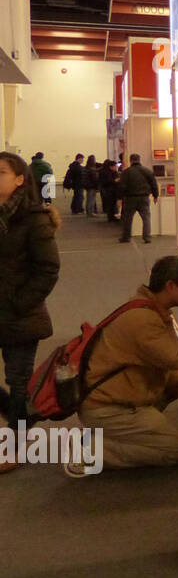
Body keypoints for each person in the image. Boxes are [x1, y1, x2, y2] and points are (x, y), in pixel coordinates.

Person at [69, 255, 178, 475]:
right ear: (170, 286)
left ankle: (108, 436)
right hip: (108, 407)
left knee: (167, 430)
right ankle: (90, 452)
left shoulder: (151, 310)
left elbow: (162, 358)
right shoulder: (144, 320)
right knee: (175, 450)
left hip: (118, 397)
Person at [0, 152, 61, 470]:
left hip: (21, 314)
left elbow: (48, 269)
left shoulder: (34, 219)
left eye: (1, 173)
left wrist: (20, 302)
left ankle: (13, 446)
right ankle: (22, 415)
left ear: (20, 178)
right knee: (18, 389)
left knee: (18, 379)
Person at [118, 153, 158, 243]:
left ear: (130, 160)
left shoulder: (126, 172)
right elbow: (153, 184)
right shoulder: (147, 171)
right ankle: (147, 237)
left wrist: (120, 198)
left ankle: (126, 237)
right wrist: (155, 195)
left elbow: (122, 186)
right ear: (139, 160)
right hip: (144, 197)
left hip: (130, 198)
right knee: (146, 218)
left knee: (127, 218)